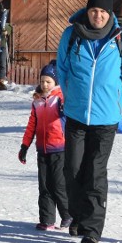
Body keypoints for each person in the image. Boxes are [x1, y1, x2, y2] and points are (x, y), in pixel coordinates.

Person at [55, 0, 122, 243]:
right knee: (72, 168)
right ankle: (78, 217)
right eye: (94, 10)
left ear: (110, 14)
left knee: (95, 172)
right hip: (76, 116)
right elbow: (62, 69)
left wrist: (117, 107)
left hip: (106, 120)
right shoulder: (71, 36)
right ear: (87, 11)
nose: (98, 15)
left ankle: (92, 229)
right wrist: (71, 99)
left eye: (103, 12)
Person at [18, 63, 72, 231]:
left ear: (55, 82)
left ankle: (68, 215)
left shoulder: (60, 98)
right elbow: (31, 125)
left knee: (58, 184)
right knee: (44, 185)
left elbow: (69, 116)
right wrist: (24, 146)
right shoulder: (37, 102)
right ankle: (47, 219)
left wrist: (65, 108)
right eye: (42, 81)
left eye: (48, 81)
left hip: (59, 148)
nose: (45, 84)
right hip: (42, 149)